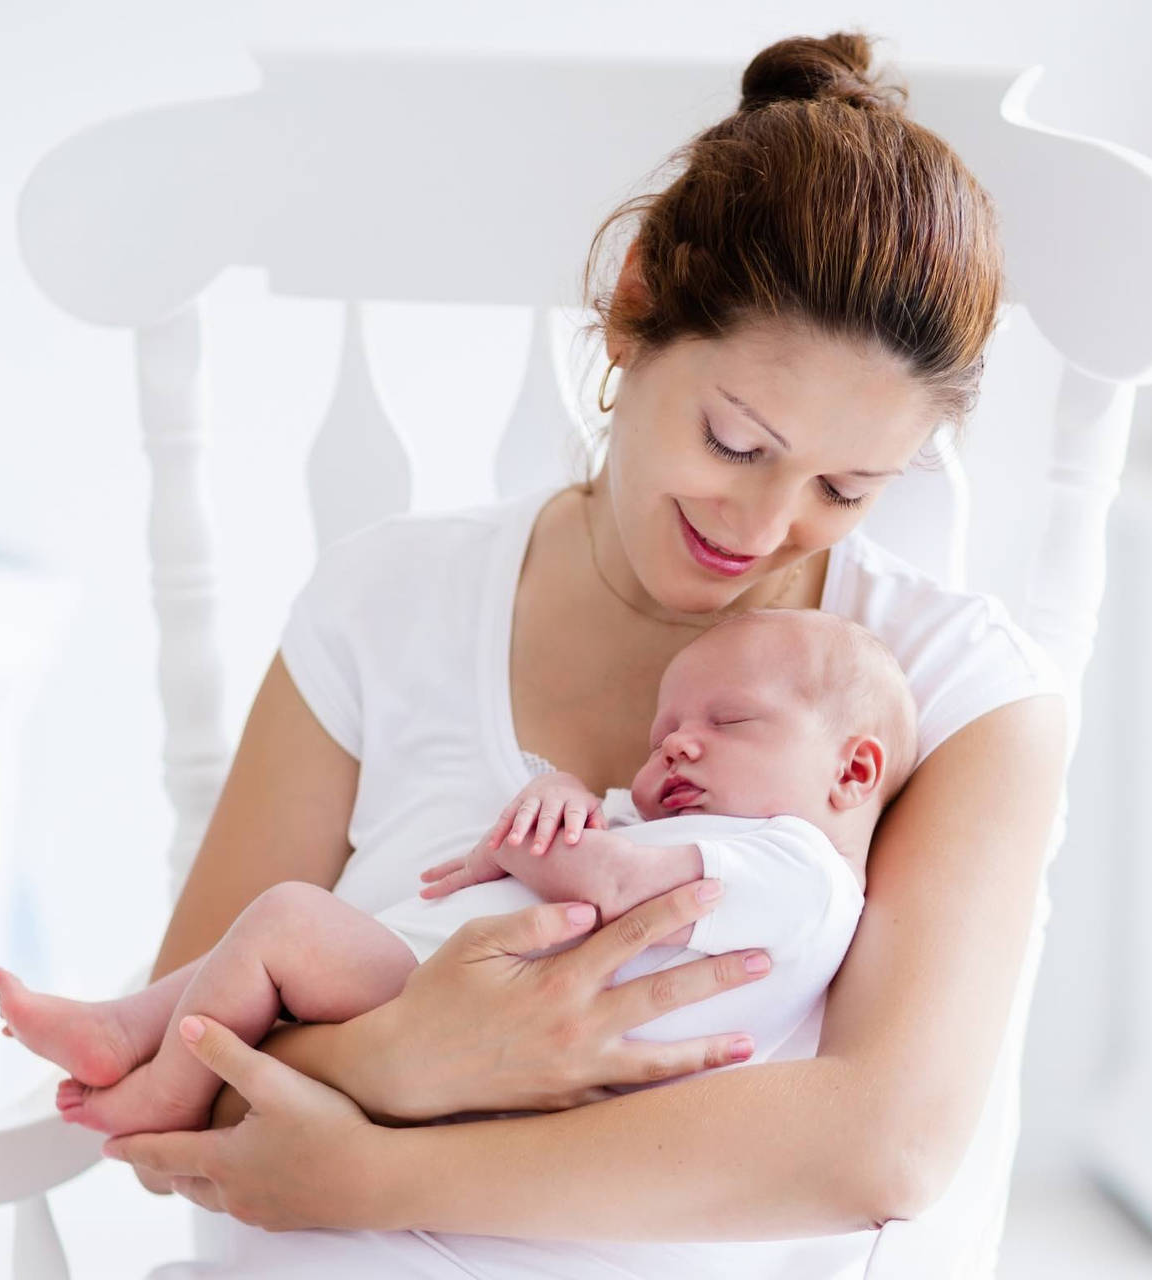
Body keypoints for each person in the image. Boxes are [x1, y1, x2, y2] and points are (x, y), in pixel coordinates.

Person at [106, 28, 1070, 1279]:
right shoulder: (387, 603)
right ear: (629, 314)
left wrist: (385, 1158)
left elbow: (878, 1145)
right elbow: (179, 1084)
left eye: (845, 485)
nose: (765, 527)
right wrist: (412, 1051)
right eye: (733, 440)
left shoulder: (960, 694)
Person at [0, 608, 916, 1163]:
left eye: (730, 720)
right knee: (273, 955)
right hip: (453, 1003)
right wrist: (555, 797)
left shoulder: (799, 870)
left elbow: (610, 874)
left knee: (282, 926)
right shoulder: (704, 832)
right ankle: (127, 1030)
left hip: (461, 1000)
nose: (676, 742)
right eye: (663, 731)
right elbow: (599, 841)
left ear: (851, 772)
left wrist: (536, 843)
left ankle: (166, 1087)